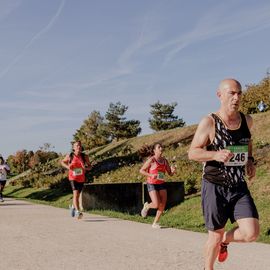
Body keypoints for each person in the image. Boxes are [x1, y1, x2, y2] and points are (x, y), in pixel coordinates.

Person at [188, 79, 259, 270]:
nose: (236, 98)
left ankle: (225, 241)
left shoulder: (247, 120)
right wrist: (214, 154)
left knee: (251, 233)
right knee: (214, 235)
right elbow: (193, 152)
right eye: (231, 93)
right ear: (220, 95)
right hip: (214, 186)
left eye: (239, 93)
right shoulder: (210, 122)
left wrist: (250, 160)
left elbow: (248, 142)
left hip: (238, 187)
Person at [139, 143, 176, 228]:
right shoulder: (151, 160)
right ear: (154, 150)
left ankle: (155, 223)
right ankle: (147, 206)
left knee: (162, 204)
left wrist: (173, 171)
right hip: (152, 183)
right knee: (156, 204)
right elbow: (141, 170)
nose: (161, 148)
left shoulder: (165, 161)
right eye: (159, 147)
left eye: (161, 147)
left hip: (161, 183)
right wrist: (151, 175)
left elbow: (169, 173)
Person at [61, 141, 91, 219]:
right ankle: (78, 212)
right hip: (73, 178)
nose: (79, 147)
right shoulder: (70, 156)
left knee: (77, 196)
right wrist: (68, 167)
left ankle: (73, 207)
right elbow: (62, 162)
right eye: (77, 146)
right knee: (75, 194)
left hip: (81, 178)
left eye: (80, 145)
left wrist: (86, 168)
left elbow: (90, 167)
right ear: (74, 148)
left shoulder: (85, 156)